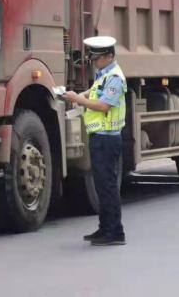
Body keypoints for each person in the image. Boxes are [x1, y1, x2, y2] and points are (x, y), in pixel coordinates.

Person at [63, 36, 127, 246]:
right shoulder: (103, 75)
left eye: (97, 58)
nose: (94, 62)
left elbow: (103, 106)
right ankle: (104, 227)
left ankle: (116, 232)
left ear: (109, 56)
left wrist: (77, 99)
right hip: (99, 137)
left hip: (108, 139)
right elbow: (93, 93)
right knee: (101, 185)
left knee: (108, 186)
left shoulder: (115, 78)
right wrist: (73, 95)